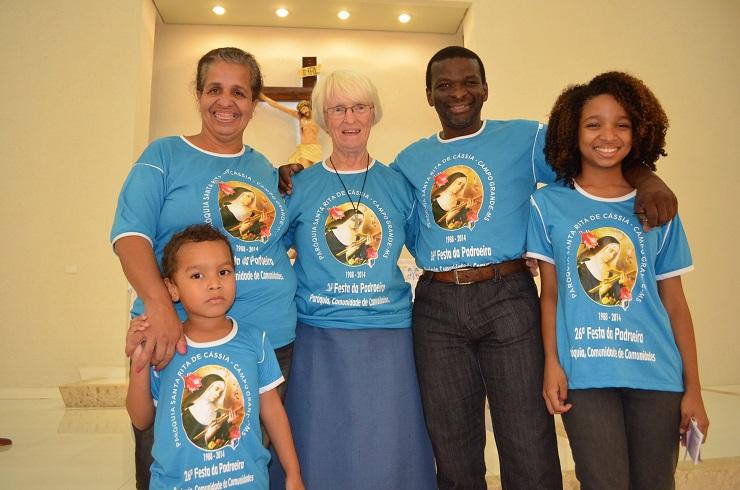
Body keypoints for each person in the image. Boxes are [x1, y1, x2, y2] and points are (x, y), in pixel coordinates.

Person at [278, 46, 678, 489]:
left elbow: (595, 152)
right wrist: (293, 171)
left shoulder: (525, 138)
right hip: (437, 306)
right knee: (452, 445)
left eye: (469, 82)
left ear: (486, 89)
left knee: (527, 438)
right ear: (428, 95)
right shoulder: (408, 163)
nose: (458, 93)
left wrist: (647, 177)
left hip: (507, 297)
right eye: (445, 85)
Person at [111, 47, 297, 489]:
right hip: (177, 338)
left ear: (254, 102)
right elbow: (130, 236)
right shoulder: (164, 155)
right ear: (198, 94)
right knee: (177, 463)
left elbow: (282, 238)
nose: (225, 101)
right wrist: (160, 307)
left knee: (244, 465)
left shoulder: (263, 168)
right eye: (214, 89)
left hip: (265, 341)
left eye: (239, 92)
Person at [527, 71, 709, 489]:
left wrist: (694, 389)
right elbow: (549, 294)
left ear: (638, 132)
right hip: (585, 374)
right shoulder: (547, 203)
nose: (607, 136)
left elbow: (675, 303)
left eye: (622, 125)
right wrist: (551, 363)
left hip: (657, 375)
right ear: (572, 132)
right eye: (593, 124)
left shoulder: (658, 206)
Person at [269, 69, 436, 490]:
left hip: (388, 337)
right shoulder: (298, 186)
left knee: (387, 448)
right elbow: (268, 252)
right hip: (319, 336)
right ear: (323, 119)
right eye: (338, 109)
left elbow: (432, 246)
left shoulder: (398, 184)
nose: (350, 118)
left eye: (360, 107)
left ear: (373, 114)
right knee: (320, 448)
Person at [126, 224, 304, 490]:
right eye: (197, 275)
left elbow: (273, 412)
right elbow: (140, 419)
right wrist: (140, 360)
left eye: (224, 272)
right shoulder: (165, 348)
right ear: (172, 288)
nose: (214, 284)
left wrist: (293, 473)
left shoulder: (255, 341)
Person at [259, 94, 322, 166]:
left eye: (304, 108)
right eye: (302, 110)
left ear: (309, 107)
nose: (304, 111)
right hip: (304, 149)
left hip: (315, 148)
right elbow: (279, 106)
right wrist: (264, 97)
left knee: (314, 170)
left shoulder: (316, 117)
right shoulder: (301, 118)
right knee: (303, 167)